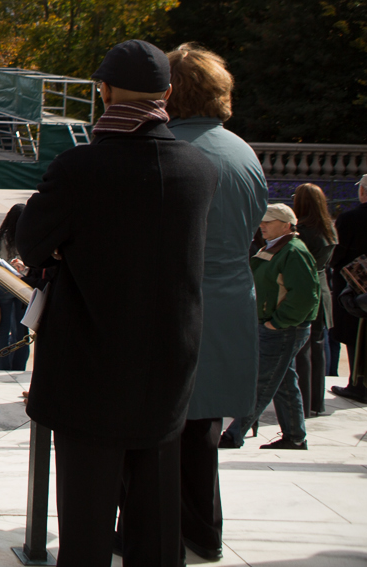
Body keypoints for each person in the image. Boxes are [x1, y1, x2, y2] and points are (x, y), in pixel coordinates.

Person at [16, 39, 216, 567]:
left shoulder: (80, 169)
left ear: (103, 92)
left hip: (91, 375)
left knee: (85, 530)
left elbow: (31, 242)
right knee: (155, 527)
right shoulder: (199, 170)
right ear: (167, 94)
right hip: (168, 372)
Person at [165, 43, 266, 562]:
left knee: (158, 435)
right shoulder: (243, 152)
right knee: (200, 436)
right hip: (230, 306)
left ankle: (159, 530)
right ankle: (203, 530)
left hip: (177, 306)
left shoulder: (169, 151)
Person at [219, 203, 321, 451]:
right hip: (274, 326)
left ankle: (234, 435)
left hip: (283, 329)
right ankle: (295, 436)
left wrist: (278, 322)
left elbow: (307, 295)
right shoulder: (278, 247)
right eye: (262, 220)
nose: (262, 225)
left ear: (287, 224)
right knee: (284, 383)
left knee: (263, 382)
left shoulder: (293, 251)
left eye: (269, 221)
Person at [292, 183, 336, 416]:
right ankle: (316, 403)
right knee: (317, 347)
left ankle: (304, 405)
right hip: (323, 289)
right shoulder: (329, 228)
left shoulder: (302, 231)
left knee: (302, 350)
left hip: (305, 290)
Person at [329, 176, 367, 402]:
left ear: (363, 192)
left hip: (352, 289)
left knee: (354, 335)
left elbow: (337, 254)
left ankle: (357, 384)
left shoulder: (350, 218)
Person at [0, 203, 30, 371]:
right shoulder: (26, 234)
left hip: (3, 284)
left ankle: (1, 365)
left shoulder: (2, 235)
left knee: (3, 329)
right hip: (21, 285)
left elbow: (1, 260)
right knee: (21, 330)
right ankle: (18, 365)